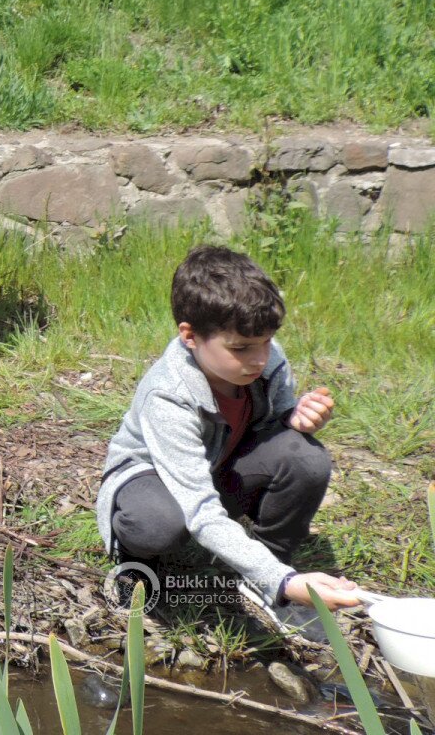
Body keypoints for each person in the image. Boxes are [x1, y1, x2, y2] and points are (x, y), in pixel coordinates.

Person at [96, 245, 360, 632]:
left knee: (306, 457)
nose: (259, 358)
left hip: (219, 466)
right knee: (159, 523)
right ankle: (138, 565)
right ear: (190, 336)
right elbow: (200, 509)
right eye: (241, 348)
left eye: (267, 341)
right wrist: (286, 583)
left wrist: (296, 417)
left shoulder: (265, 358)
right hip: (155, 482)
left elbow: (276, 420)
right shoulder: (167, 395)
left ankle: (268, 567)